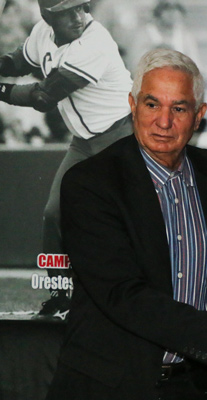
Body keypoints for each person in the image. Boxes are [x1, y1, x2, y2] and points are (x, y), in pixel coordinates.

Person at [45, 48, 207, 400]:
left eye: (179, 108)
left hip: (200, 385)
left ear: (198, 115)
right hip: (112, 386)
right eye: (152, 104)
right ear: (132, 105)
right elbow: (122, 294)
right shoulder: (90, 182)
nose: (164, 121)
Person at [0, 0, 133, 318]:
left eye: (81, 7)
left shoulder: (95, 41)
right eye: (68, 11)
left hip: (123, 138)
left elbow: (44, 96)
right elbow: (18, 61)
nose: (79, 16)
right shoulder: (42, 32)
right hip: (83, 144)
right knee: (54, 215)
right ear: (48, 15)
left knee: (123, 224)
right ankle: (61, 296)